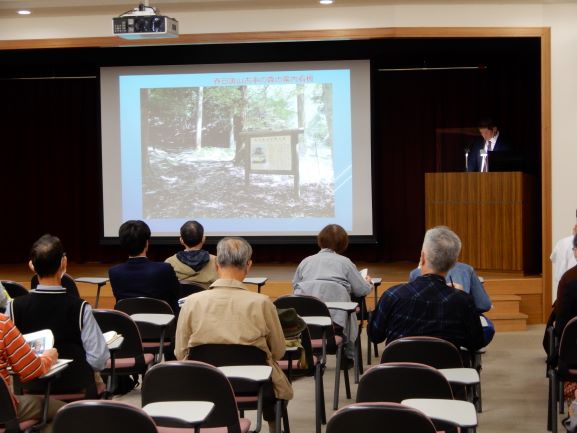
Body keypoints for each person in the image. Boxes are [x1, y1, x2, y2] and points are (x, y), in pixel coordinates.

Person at [175, 237, 292, 433]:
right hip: (257, 388)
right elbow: (278, 351)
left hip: (203, 386)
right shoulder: (262, 303)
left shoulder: (192, 303)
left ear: (216, 264)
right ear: (249, 265)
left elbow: (180, 353)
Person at [7, 234, 109, 396]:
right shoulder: (80, 308)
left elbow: (8, 359)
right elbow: (98, 360)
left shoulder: (13, 307)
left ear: (32, 266)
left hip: (29, 389)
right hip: (78, 388)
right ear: (64, 263)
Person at [368, 226, 485, 352]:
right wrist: (459, 294)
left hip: (400, 370)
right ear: (454, 262)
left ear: (422, 258)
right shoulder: (463, 301)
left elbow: (375, 336)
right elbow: (476, 343)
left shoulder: (393, 295)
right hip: (446, 370)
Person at [293, 224, 372, 363]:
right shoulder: (345, 263)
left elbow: (296, 287)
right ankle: (347, 356)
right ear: (343, 243)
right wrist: (368, 283)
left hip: (307, 324)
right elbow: (361, 290)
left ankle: (310, 353)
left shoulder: (305, 262)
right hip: (337, 325)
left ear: (320, 240)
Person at [0, 314, 65, 433]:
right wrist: (49, 357)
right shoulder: (2, 323)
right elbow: (32, 370)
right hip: (3, 410)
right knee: (65, 412)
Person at [409, 260, 494, 345]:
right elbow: (484, 305)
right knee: (485, 329)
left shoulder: (414, 274)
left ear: (424, 256)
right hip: (456, 338)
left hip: (420, 338)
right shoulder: (465, 269)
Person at [109, 220, 181, 313]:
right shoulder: (164, 269)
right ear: (147, 243)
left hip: (130, 324)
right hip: (162, 322)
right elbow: (177, 296)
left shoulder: (114, 272)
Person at [165, 220, 218, 289]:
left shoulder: (169, 263)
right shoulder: (217, 262)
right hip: (207, 299)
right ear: (203, 239)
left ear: (181, 240)